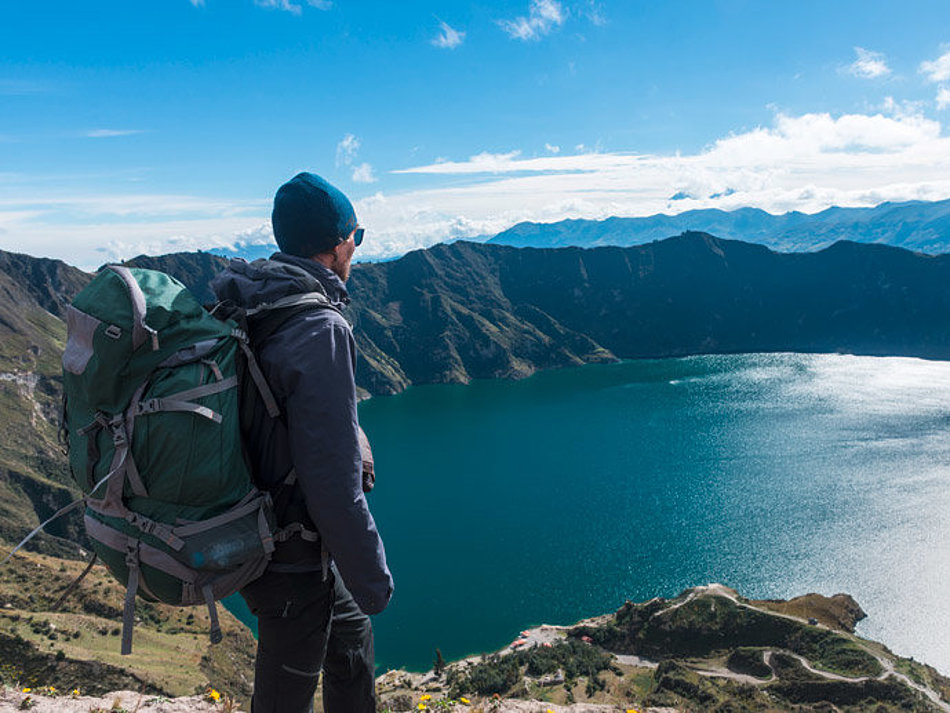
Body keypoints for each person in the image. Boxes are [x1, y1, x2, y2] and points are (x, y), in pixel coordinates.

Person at [211, 172, 393, 713]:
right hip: (287, 555)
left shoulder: (250, 298)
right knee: (285, 692)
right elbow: (332, 482)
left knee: (352, 639)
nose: (356, 251)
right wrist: (374, 579)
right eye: (356, 238)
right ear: (339, 243)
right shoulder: (319, 327)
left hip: (257, 521)